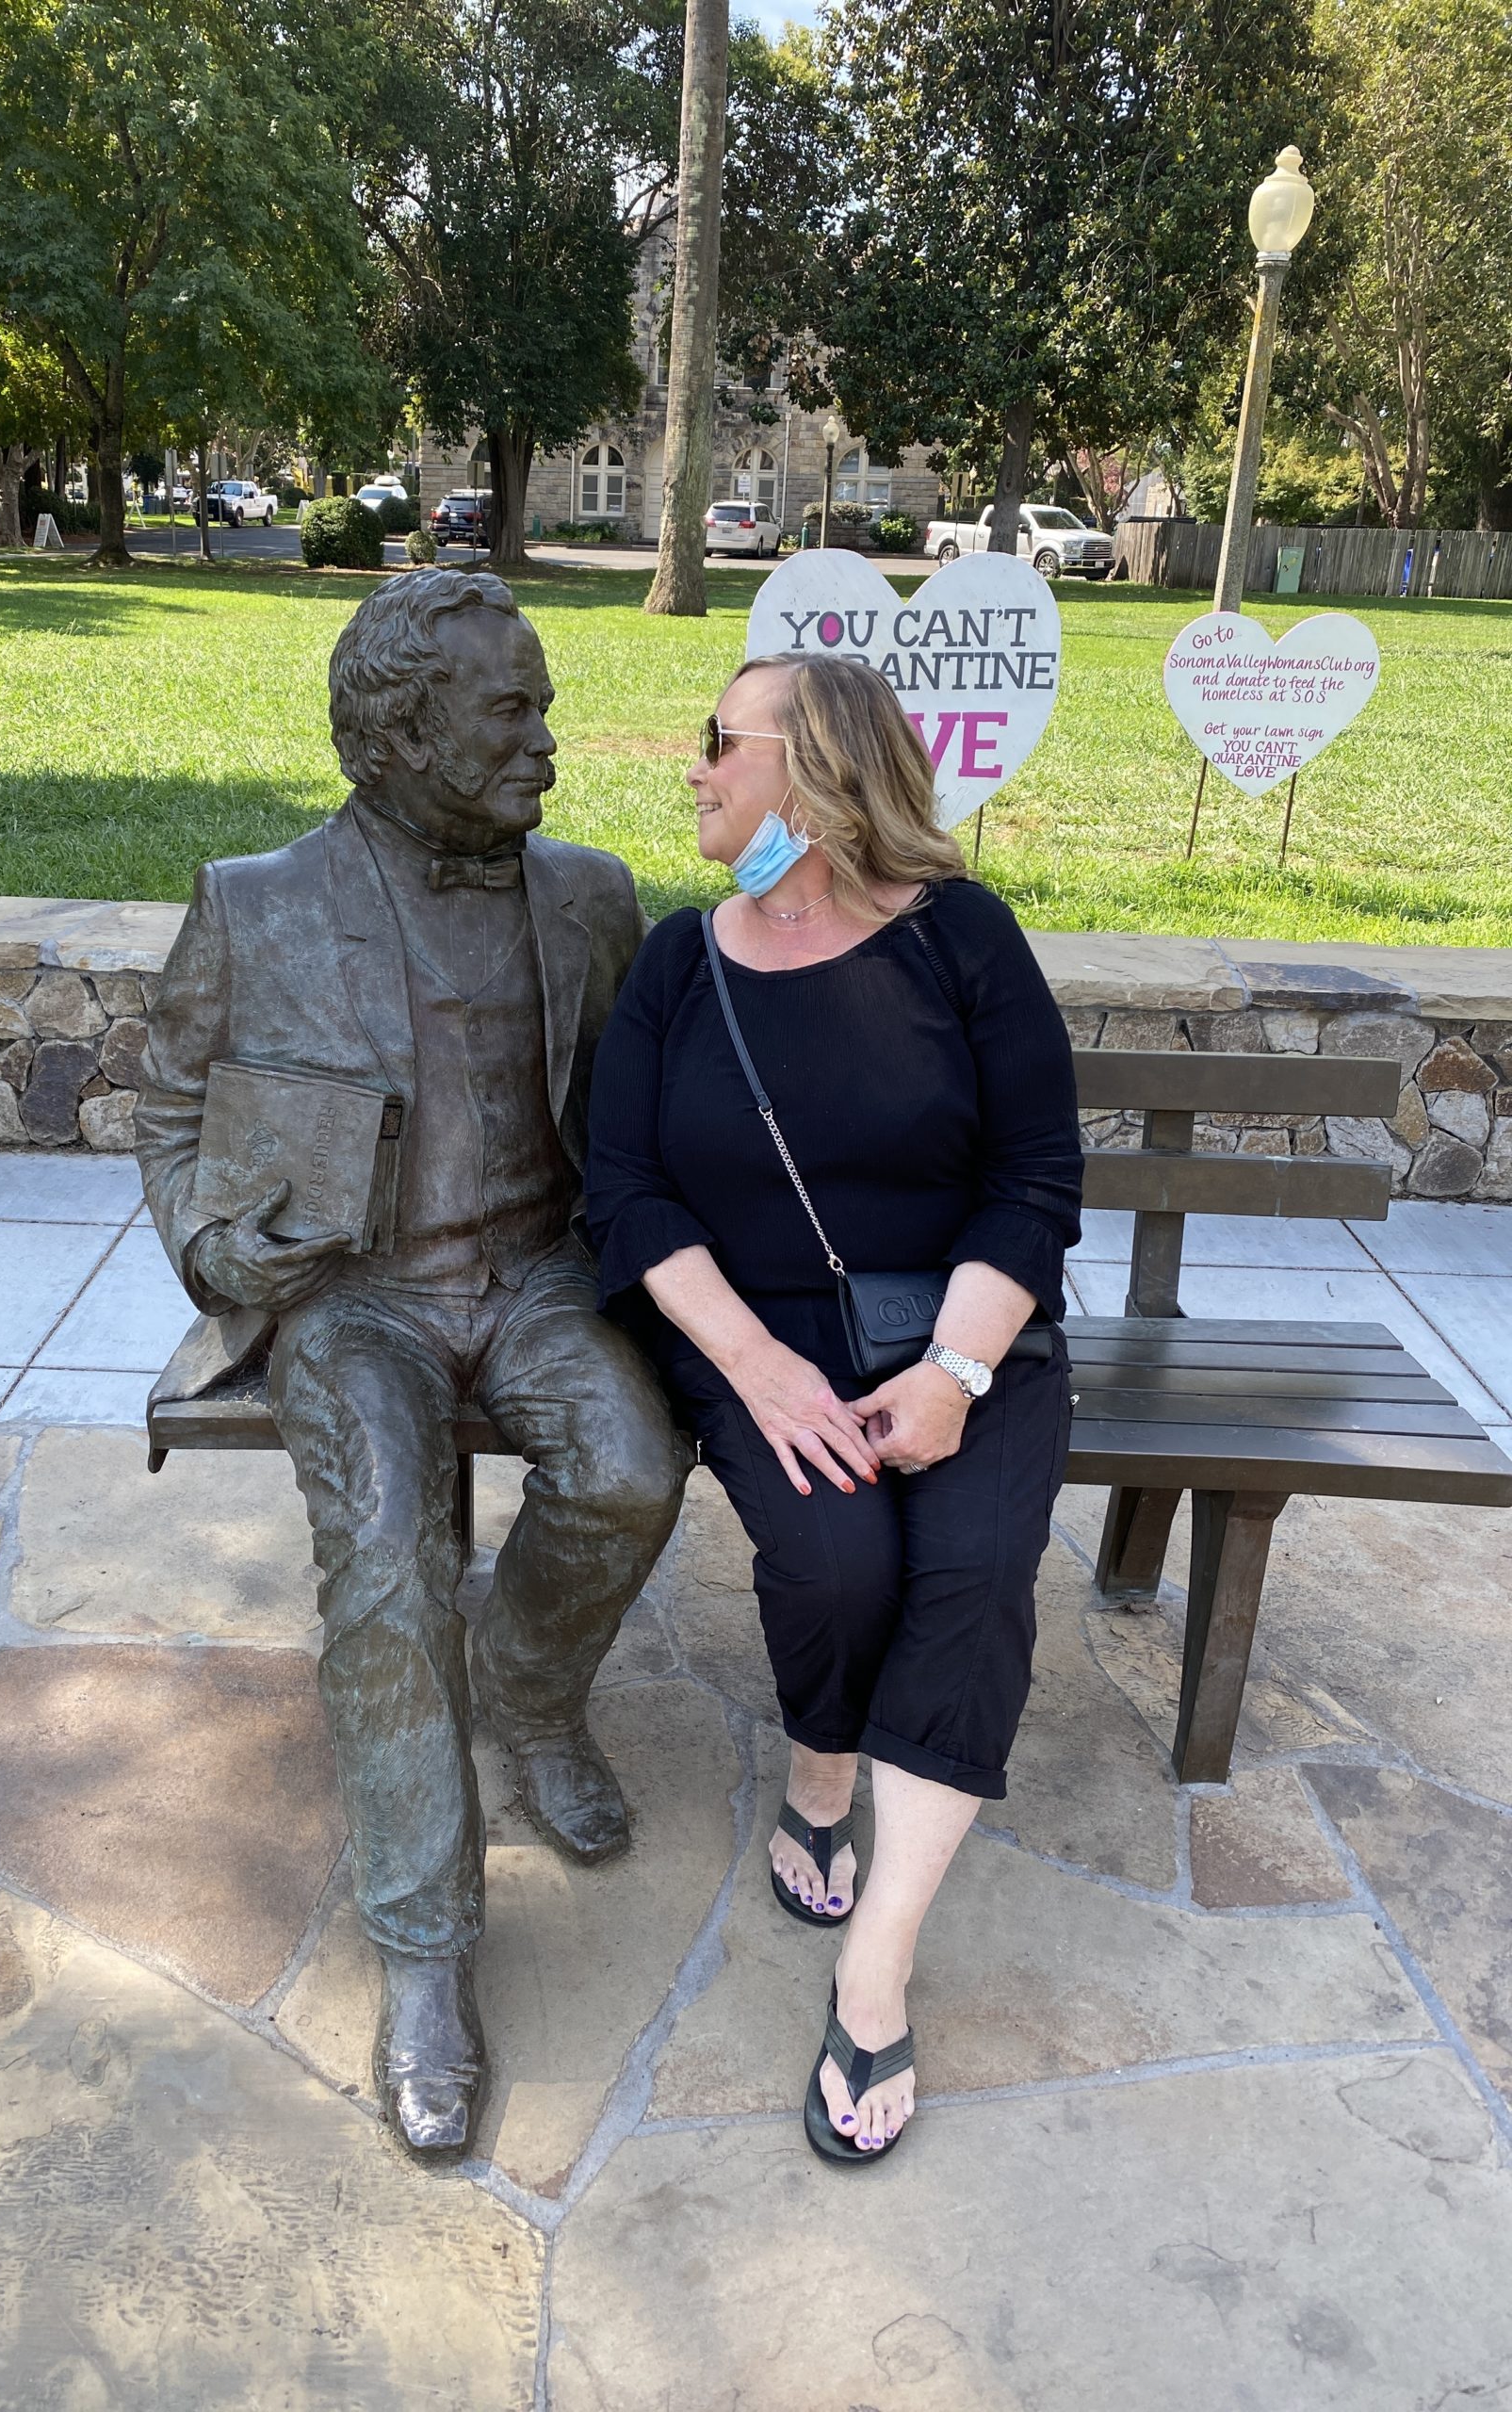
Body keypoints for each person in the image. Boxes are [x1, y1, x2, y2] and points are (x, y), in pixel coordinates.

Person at [138, 571, 690, 2157]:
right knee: (386, 1556)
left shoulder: (590, 896)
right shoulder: (256, 902)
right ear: (398, 732)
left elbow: (631, 1116)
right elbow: (168, 1105)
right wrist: (211, 1245)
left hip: (537, 1277)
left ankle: (525, 1689)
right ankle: (426, 1956)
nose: (546, 742)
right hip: (354, 1294)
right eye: (509, 713)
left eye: (544, 706)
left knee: (632, 1470)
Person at [586, 652, 1081, 2167]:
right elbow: (630, 1191)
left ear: (813, 769)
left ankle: (878, 1966)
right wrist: (755, 1366)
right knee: (835, 1562)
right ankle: (821, 1765)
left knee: (972, 1576)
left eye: (717, 740)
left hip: (967, 1330)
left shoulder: (961, 939)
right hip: (763, 1342)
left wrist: (955, 1375)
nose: (693, 767)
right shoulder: (680, 962)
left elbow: (1035, 1180)